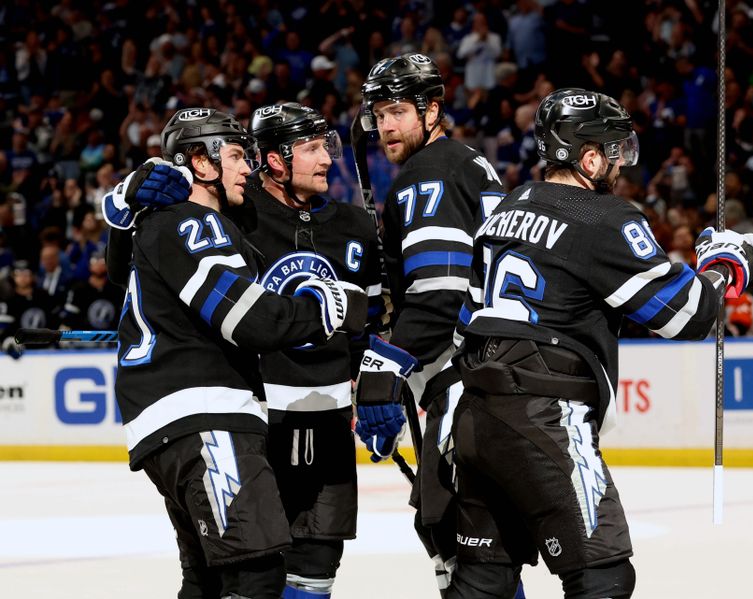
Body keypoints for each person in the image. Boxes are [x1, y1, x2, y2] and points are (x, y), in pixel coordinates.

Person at [447, 88, 753, 598]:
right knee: (603, 575)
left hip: (476, 413)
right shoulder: (604, 218)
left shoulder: (507, 208)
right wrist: (731, 265)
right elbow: (687, 317)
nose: (621, 162)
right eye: (614, 149)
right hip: (544, 414)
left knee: (483, 582)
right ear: (588, 156)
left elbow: (468, 318)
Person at [103, 103, 384, 599]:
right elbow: (251, 320)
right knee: (255, 574)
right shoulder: (197, 223)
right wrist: (333, 306)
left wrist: (124, 207)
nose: (246, 167)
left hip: (180, 422)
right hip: (207, 416)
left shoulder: (165, 222)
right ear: (201, 162)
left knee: (211, 579)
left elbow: (119, 270)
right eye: (235, 155)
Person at [352, 52, 510, 596]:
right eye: (378, 113)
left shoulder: (429, 172)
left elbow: (439, 297)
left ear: (431, 109)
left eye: (397, 110)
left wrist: (384, 367)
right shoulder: (469, 164)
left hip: (466, 381)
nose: (385, 125)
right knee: (483, 544)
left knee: (460, 543)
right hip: (500, 374)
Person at [243, 103, 383, 599]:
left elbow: (375, 327)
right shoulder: (236, 220)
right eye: (310, 148)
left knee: (318, 561)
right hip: (256, 422)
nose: (326, 158)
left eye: (327, 146)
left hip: (328, 419)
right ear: (275, 160)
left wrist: (378, 389)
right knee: (249, 568)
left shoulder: (355, 228)